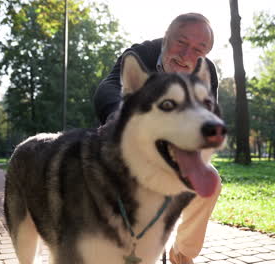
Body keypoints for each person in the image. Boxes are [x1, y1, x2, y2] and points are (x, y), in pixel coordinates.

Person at [93, 13, 221, 264]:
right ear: (166, 37)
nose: (186, 55)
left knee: (210, 184)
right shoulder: (143, 54)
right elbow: (107, 87)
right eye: (181, 42)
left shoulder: (207, 72)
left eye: (198, 49)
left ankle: (181, 253)